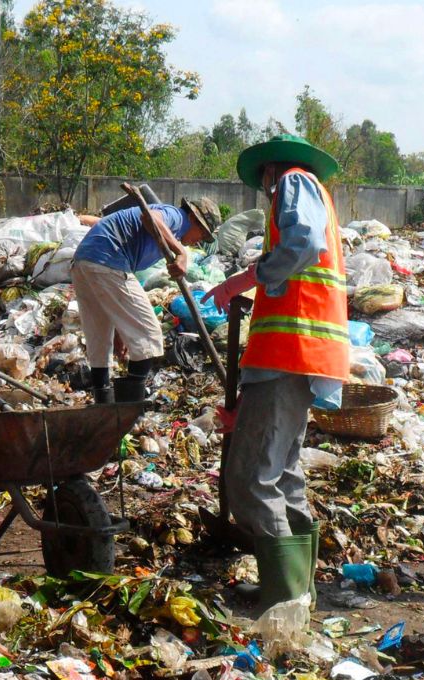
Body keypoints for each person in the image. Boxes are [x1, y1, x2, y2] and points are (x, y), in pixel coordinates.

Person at [203, 134, 349, 611]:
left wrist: (244, 279)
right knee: (282, 473)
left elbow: (303, 241)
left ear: (269, 171)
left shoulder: (294, 181)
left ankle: (284, 599)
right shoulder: (310, 189)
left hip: (293, 351)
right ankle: (294, 591)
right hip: (298, 356)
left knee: (250, 478)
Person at [71, 197, 221, 402]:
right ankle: (129, 406)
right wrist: (181, 252)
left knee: (99, 336)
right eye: (202, 233)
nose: (199, 240)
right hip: (108, 259)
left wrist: (121, 332)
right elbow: (149, 217)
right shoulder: (176, 217)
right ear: (193, 218)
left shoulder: (170, 228)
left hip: (84, 261)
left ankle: (103, 404)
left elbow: (115, 299)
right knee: (150, 335)